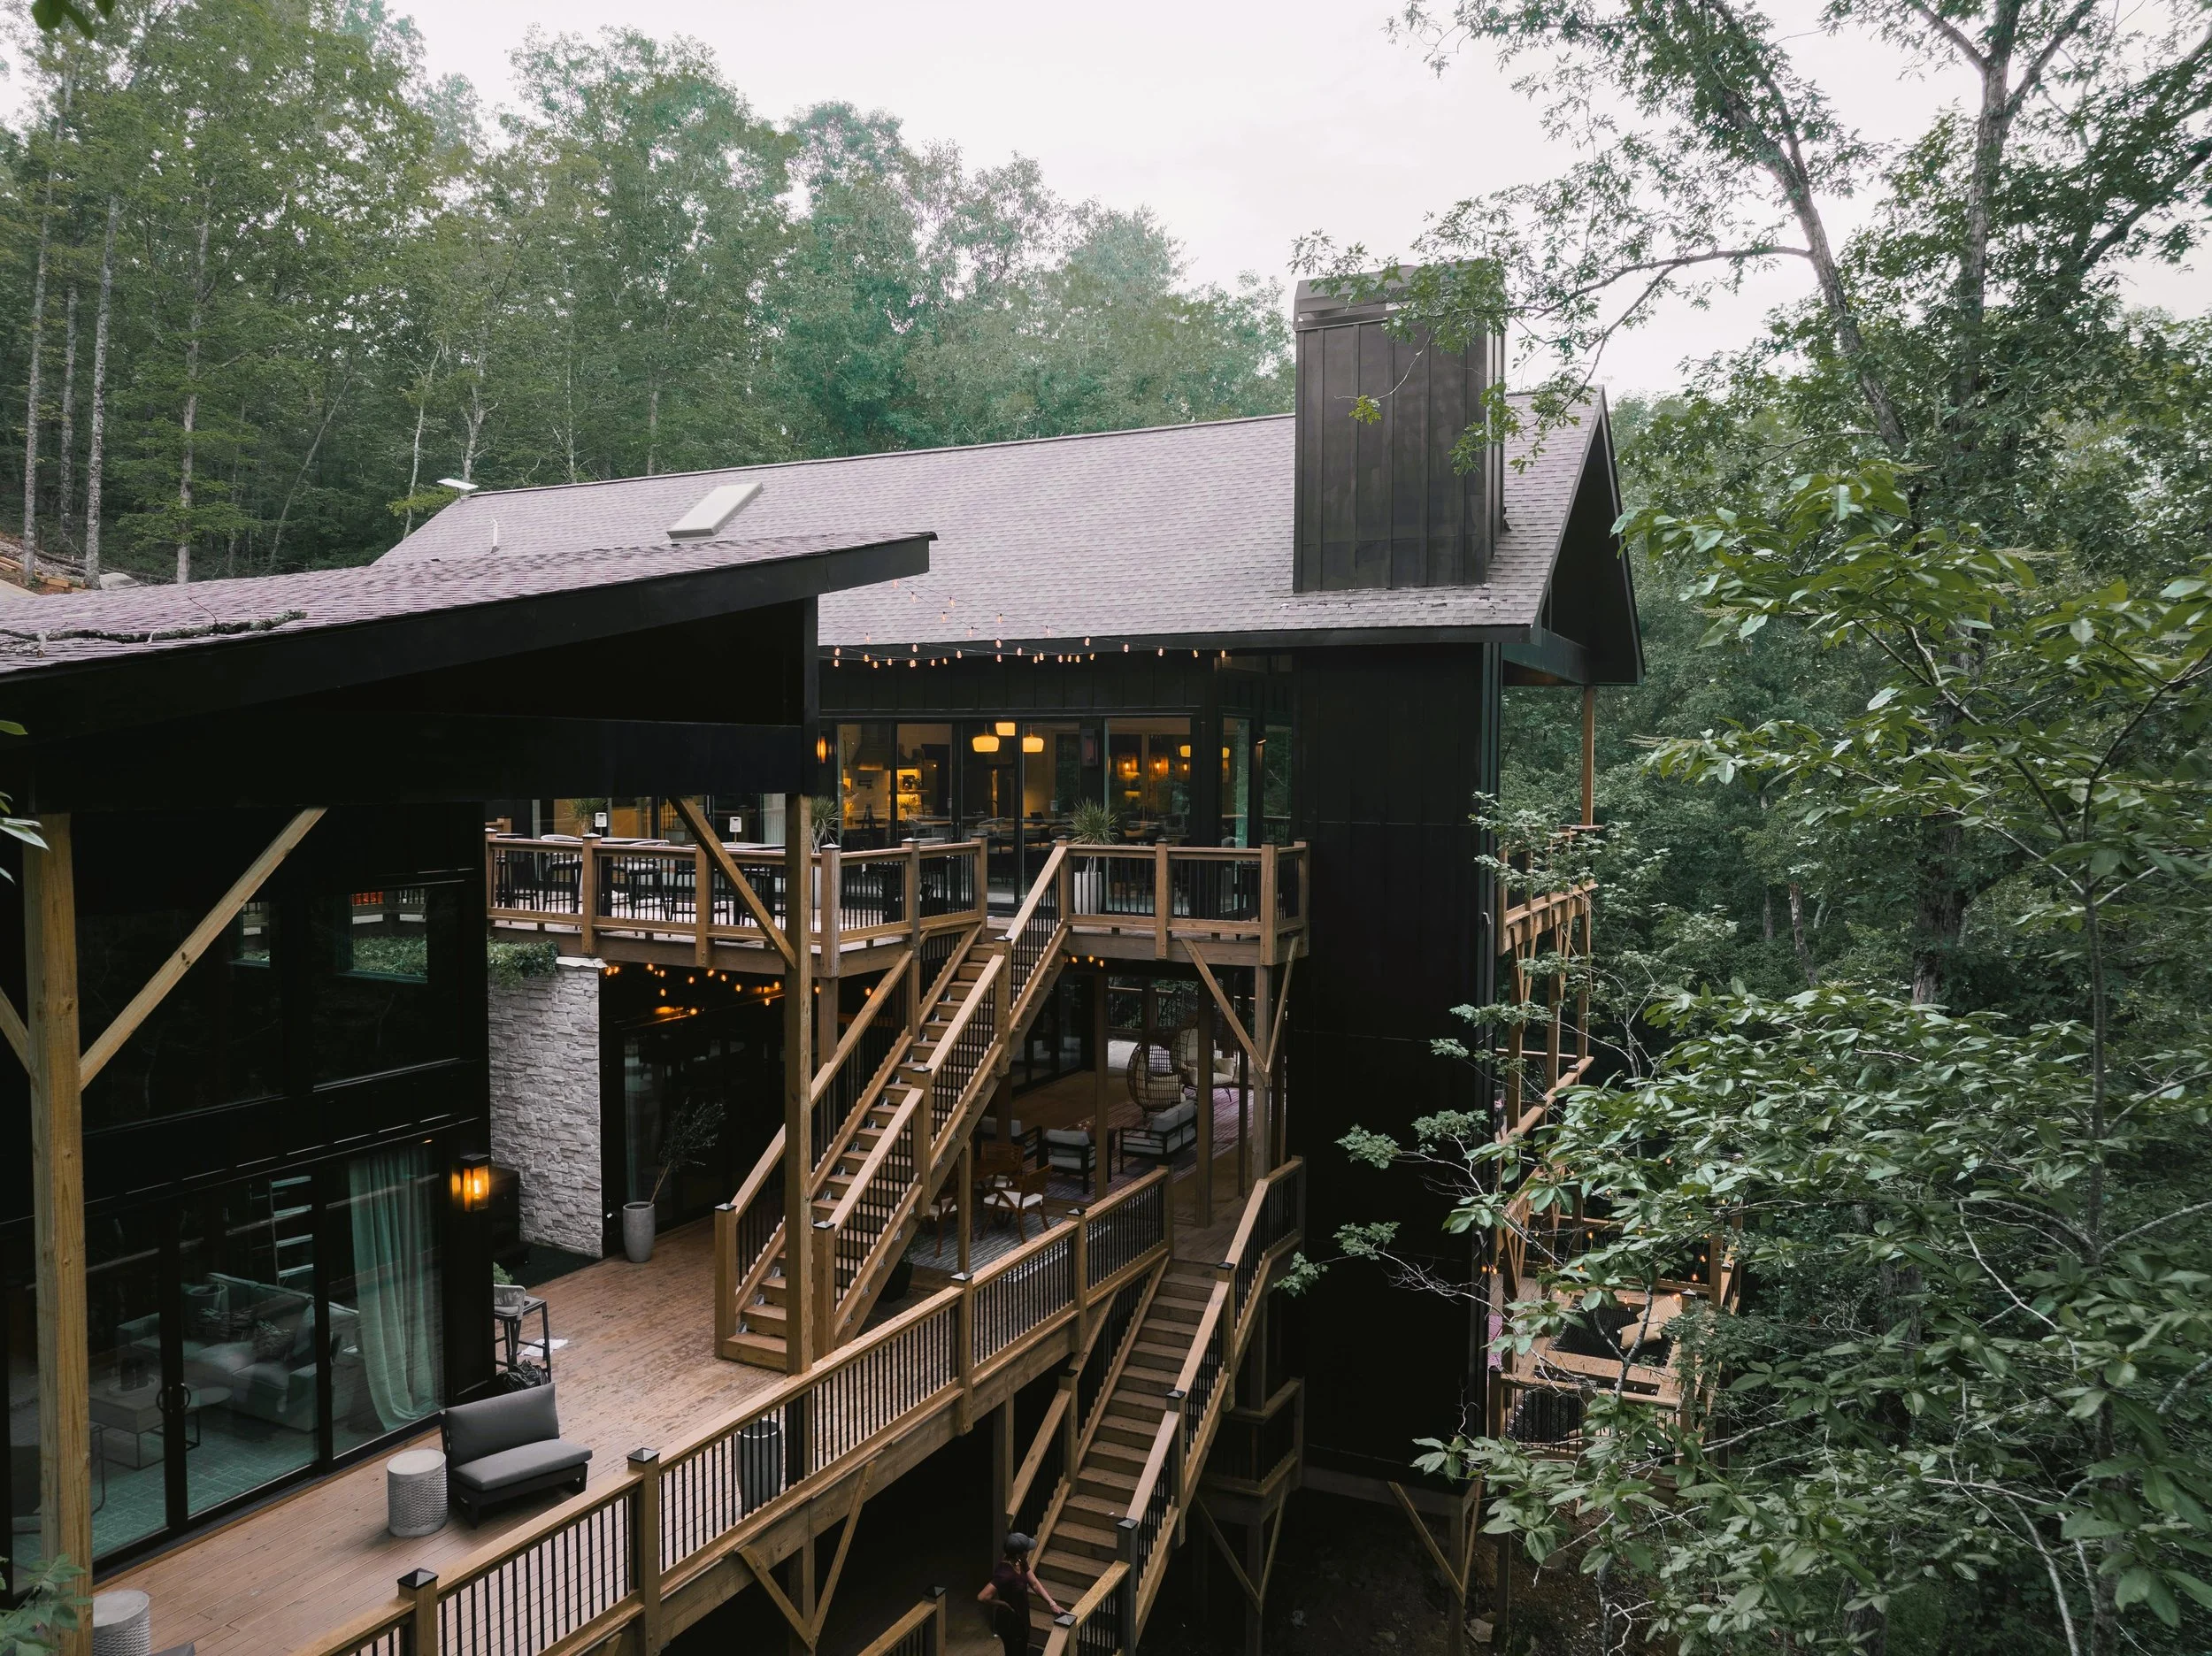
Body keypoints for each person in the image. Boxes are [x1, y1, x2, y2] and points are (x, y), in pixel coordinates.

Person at [978, 1532, 1061, 1656]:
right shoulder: (1004, 1574)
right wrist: (1003, 1604)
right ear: (1018, 1554)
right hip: (1010, 1622)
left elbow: (1034, 1583)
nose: (1028, 1552)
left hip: (1022, 1616)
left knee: (1021, 1649)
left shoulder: (1020, 1562)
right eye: (1026, 1550)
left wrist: (1051, 1603)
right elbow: (982, 1596)